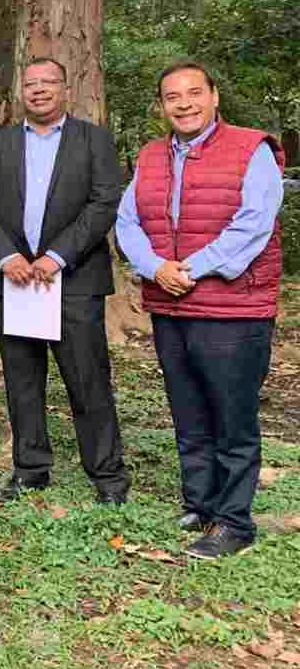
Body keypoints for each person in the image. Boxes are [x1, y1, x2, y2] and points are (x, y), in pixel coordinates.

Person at [117, 61, 285, 559]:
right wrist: (154, 267)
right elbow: (128, 221)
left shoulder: (251, 149)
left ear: (214, 97)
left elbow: (253, 224)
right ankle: (200, 502)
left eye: (194, 93)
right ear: (162, 105)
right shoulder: (151, 156)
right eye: (172, 96)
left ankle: (234, 523)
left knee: (231, 417)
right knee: (188, 412)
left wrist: (189, 267)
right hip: (171, 305)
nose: (184, 103)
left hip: (233, 308)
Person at [0, 59, 131, 506]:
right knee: (22, 379)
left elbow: (104, 202)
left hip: (75, 280)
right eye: (31, 84)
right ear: (23, 91)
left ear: (65, 89)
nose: (38, 91)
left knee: (87, 379)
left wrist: (58, 256)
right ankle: (31, 469)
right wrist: (7, 256)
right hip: (14, 280)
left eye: (48, 83)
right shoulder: (0, 142)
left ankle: (107, 476)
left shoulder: (93, 140)